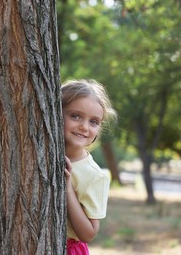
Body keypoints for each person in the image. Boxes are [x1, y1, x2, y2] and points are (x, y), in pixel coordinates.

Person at [61, 79, 117, 255]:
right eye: (75, 116)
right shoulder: (40, 153)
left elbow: (89, 233)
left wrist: (68, 188)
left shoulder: (94, 175)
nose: (84, 127)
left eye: (93, 122)